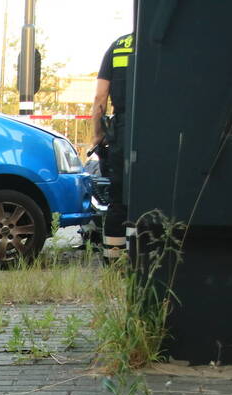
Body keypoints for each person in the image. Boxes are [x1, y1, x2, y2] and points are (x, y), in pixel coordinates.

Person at [91, 33, 134, 263]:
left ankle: (114, 262)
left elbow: (100, 96)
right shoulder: (168, 41)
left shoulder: (118, 46)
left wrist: (98, 135)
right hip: (160, 130)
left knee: (118, 199)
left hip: (124, 130)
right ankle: (146, 260)